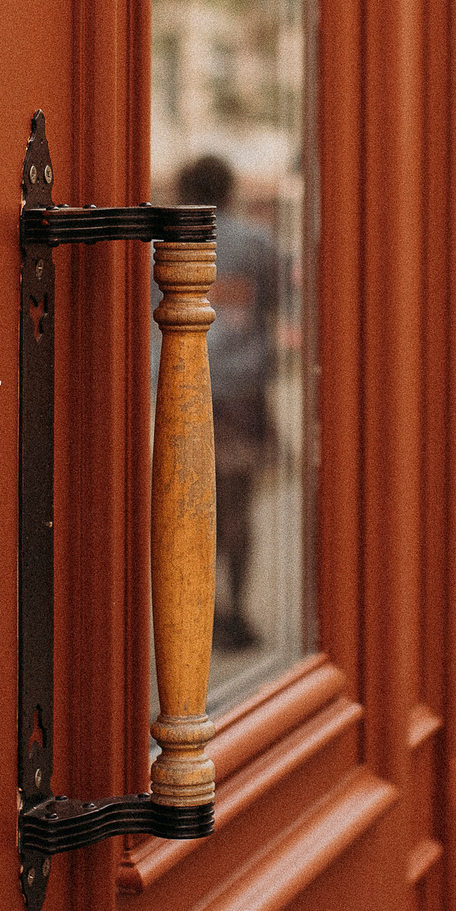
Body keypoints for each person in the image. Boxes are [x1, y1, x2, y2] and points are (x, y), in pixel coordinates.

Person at [172, 154, 280, 652]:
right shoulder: (258, 243)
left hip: (184, 387)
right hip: (242, 391)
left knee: (190, 507)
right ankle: (235, 608)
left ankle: (198, 609)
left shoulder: (171, 239)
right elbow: (272, 308)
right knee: (237, 506)